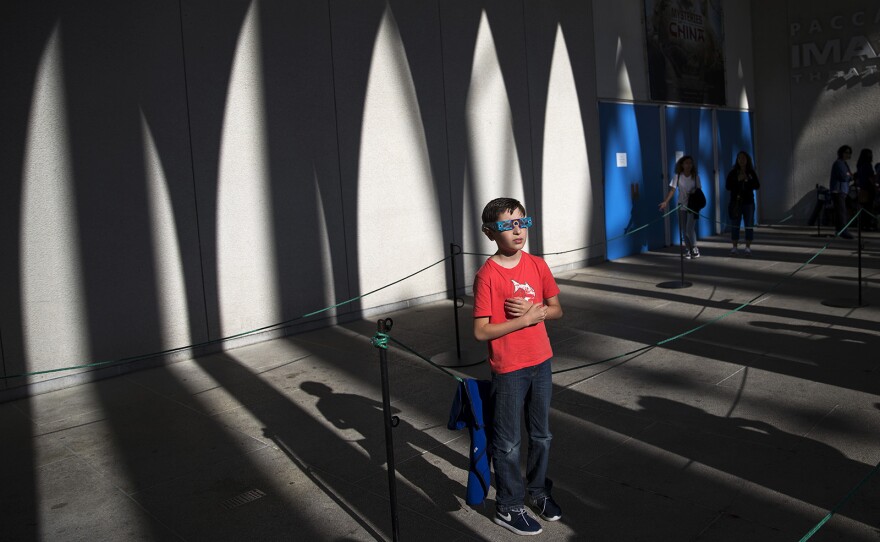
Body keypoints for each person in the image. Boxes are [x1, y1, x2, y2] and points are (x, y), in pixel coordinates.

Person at [473, 197, 564, 536]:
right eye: (507, 225)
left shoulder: (538, 266)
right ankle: (509, 506)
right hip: (509, 368)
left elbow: (555, 309)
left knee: (542, 435)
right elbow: (481, 330)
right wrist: (524, 320)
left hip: (541, 362)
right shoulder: (487, 276)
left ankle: (538, 492)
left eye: (522, 223)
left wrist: (537, 310)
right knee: (508, 442)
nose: (517, 230)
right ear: (489, 232)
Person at [659, 155, 702, 258]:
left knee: (689, 229)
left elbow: (699, 190)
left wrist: (694, 191)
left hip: (692, 206)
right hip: (681, 206)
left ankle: (695, 247)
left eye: (690, 163)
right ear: (682, 164)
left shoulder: (695, 176)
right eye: (686, 163)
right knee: (684, 229)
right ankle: (688, 249)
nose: (688, 165)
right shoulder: (677, 176)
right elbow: (672, 190)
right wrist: (665, 202)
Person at [725, 151, 761, 255]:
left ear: (747, 160)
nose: (741, 160)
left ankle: (748, 247)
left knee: (748, 224)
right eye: (739, 158)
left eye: (743, 158)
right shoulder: (733, 172)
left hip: (748, 202)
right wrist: (738, 180)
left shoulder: (751, 172)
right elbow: (728, 186)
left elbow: (757, 185)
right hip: (735, 202)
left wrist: (747, 179)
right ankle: (734, 247)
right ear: (737, 160)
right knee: (735, 224)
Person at [829, 145, 854, 239]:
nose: (848, 154)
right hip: (838, 191)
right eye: (846, 152)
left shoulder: (843, 163)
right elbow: (845, 177)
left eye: (849, 152)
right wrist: (849, 176)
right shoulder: (839, 163)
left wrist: (849, 175)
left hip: (842, 191)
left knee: (841, 211)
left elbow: (848, 175)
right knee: (841, 212)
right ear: (841, 153)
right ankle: (843, 231)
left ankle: (840, 230)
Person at [854, 148, 877, 231]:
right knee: (869, 208)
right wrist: (876, 186)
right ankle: (867, 225)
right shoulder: (868, 165)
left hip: (862, 189)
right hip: (868, 189)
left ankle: (862, 225)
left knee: (863, 208)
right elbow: (870, 178)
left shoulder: (859, 165)